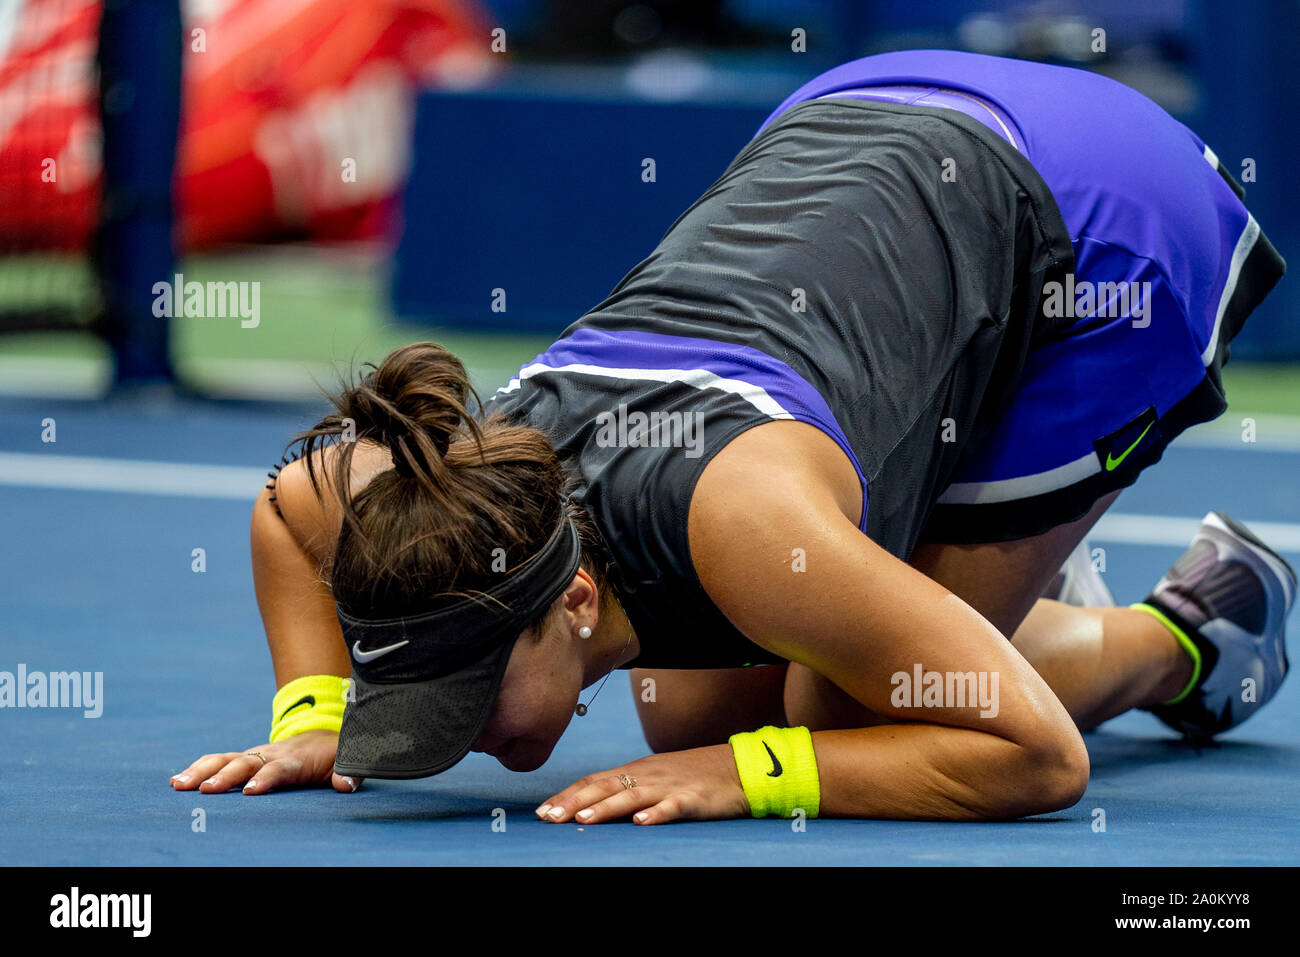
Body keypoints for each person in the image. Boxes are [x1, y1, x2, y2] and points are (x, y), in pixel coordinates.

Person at [171, 50, 1292, 824]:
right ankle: (949, 593)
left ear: (568, 602)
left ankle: (1195, 630)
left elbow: (1038, 761)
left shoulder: (741, 524)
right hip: (856, 119)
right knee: (695, 701)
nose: (456, 739)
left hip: (1100, 223)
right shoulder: (447, 486)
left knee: (843, 715)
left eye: (462, 692)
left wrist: (747, 777)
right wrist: (320, 712)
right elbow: (288, 504)